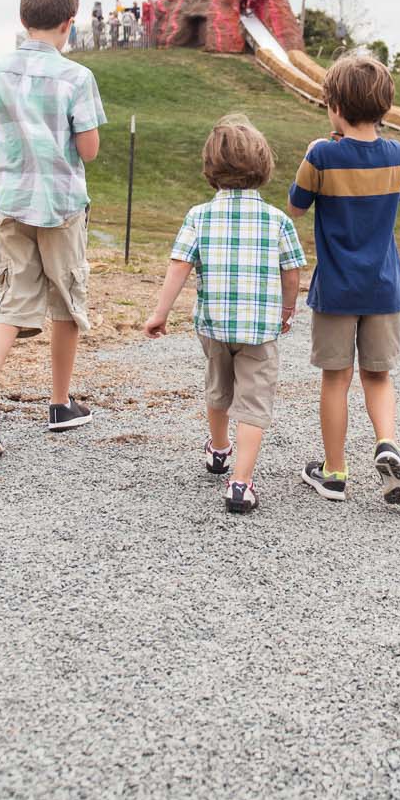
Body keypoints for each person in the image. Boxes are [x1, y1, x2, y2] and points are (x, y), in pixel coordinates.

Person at [0, 0, 106, 455]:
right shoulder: (77, 78)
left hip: (13, 204)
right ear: (69, 23)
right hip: (62, 208)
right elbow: (89, 149)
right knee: (65, 300)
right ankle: (60, 404)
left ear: (22, 20)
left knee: (10, 300)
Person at [143, 116, 306, 514]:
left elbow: (179, 266)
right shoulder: (277, 220)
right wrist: (287, 308)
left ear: (211, 169)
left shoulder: (199, 216)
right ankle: (241, 483)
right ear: (263, 167)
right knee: (254, 400)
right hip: (260, 329)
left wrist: (159, 313)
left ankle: (218, 450)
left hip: (214, 325)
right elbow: (292, 271)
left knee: (219, 387)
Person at [286, 54, 400, 506]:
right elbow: (394, 198)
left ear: (335, 106)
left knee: (335, 379)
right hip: (384, 286)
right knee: (377, 377)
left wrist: (314, 151)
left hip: (338, 288)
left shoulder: (322, 154)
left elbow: (297, 205)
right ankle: (387, 444)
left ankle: (335, 471)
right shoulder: (397, 155)